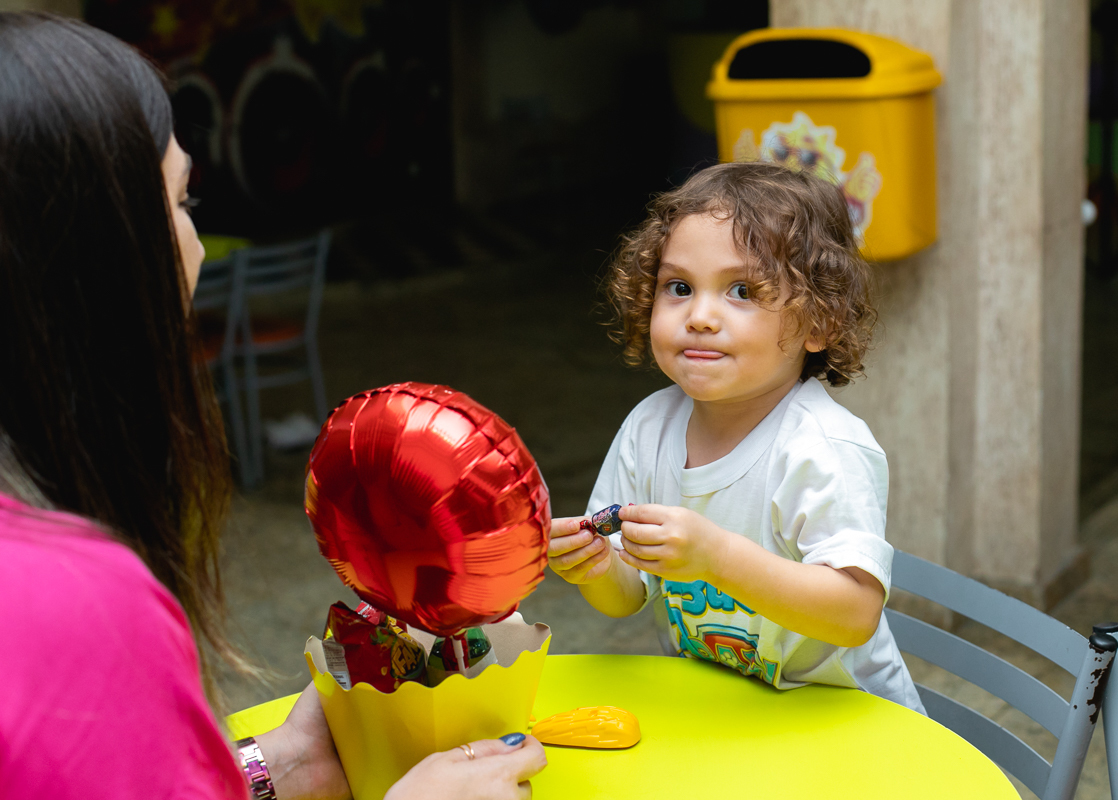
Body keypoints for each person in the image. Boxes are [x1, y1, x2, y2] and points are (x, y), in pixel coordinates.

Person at [0, 13, 545, 799]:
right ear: (92, 260)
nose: (195, 244)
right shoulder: (78, 609)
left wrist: (275, 766)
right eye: (182, 201)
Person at [547, 162, 924, 712]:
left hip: (847, 720)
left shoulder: (822, 448)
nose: (700, 316)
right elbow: (628, 597)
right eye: (679, 287)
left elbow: (855, 614)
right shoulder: (649, 428)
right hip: (727, 711)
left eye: (742, 290)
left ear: (819, 322)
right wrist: (599, 568)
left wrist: (717, 557)